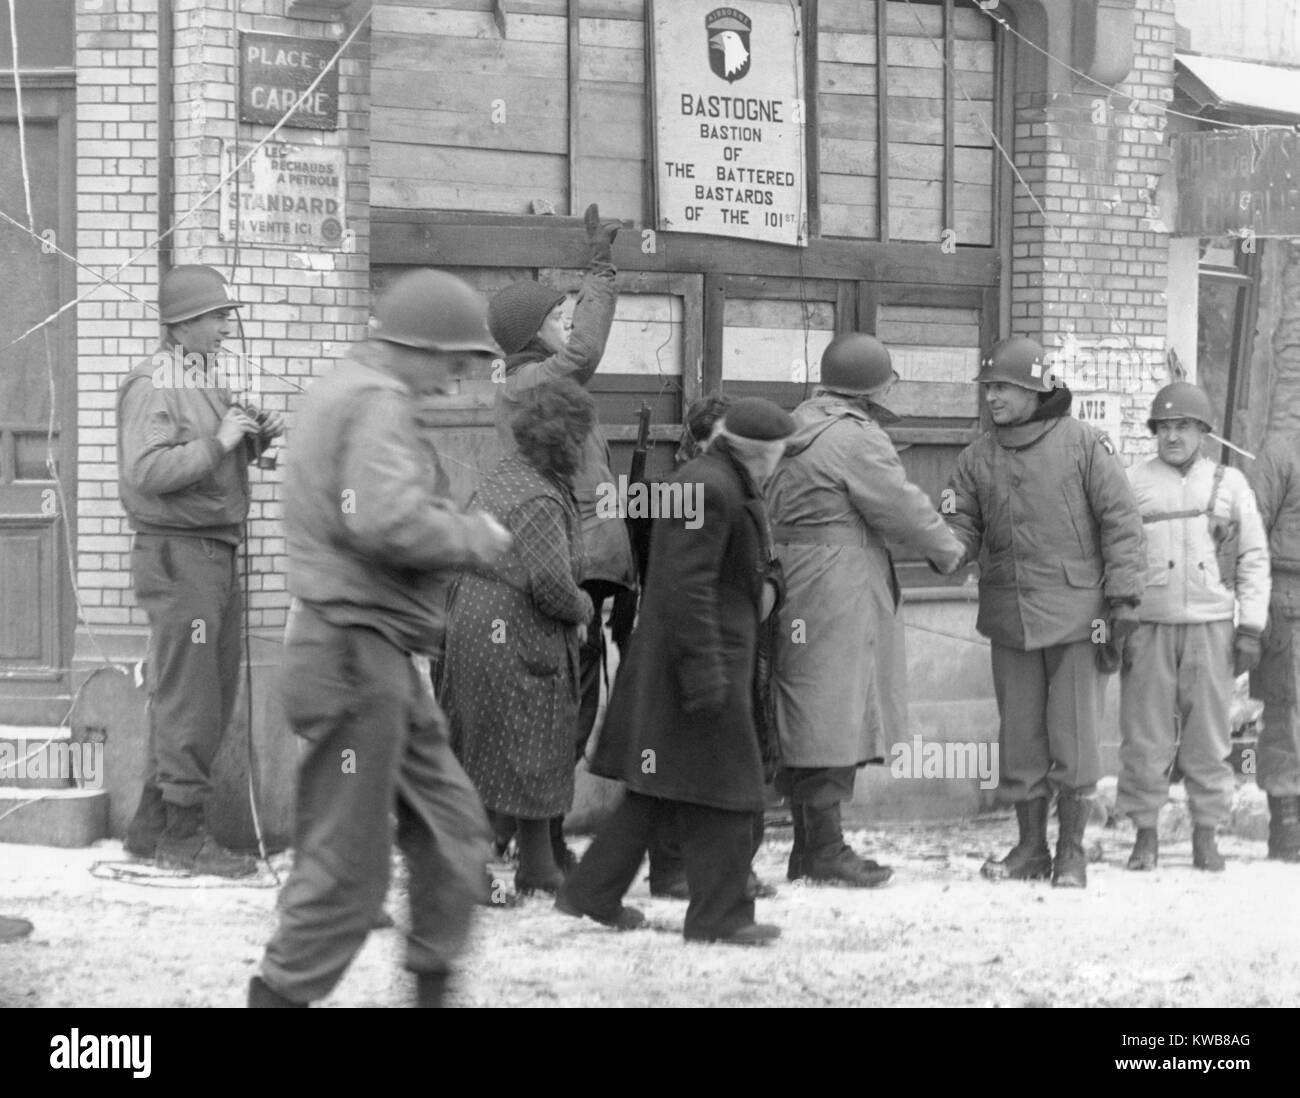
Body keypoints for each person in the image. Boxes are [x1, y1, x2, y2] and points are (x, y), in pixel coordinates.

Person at [249, 270, 512, 1008]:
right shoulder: (375, 400)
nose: (456, 381)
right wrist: (473, 535)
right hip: (353, 653)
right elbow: (380, 519)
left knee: (454, 831)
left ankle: (432, 990)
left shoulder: (348, 387)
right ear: (417, 346)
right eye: (454, 362)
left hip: (377, 653)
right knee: (348, 868)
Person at [556, 398, 794, 946]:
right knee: (732, 792)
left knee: (659, 789)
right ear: (762, 453)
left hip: (689, 666)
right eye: (780, 454)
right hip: (698, 668)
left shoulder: (713, 480)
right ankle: (721, 916)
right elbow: (686, 587)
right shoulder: (709, 487)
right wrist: (707, 673)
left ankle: (591, 892)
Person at [945, 336, 1144, 888]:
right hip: (1010, 616)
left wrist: (1125, 599)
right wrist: (946, 546)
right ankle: (1030, 848)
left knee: (1074, 735)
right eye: (988, 389)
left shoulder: (1085, 443)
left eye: (1004, 388)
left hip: (1081, 616)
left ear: (1037, 389)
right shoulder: (975, 456)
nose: (993, 399)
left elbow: (1122, 523)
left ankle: (1072, 852)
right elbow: (958, 517)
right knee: (1021, 738)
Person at [767, 333, 965, 888]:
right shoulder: (857, 438)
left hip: (792, 577)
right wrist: (948, 551)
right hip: (840, 583)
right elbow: (902, 507)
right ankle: (825, 849)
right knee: (838, 710)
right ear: (875, 389)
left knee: (807, 706)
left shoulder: (795, 423)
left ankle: (809, 847)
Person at [118, 264, 284, 877]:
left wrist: (253, 438)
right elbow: (148, 472)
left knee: (203, 691)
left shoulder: (199, 375)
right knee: (192, 696)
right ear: (184, 323)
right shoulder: (153, 384)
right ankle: (185, 837)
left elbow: (214, 451)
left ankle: (151, 825)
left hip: (210, 551)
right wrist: (219, 440)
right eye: (217, 316)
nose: (225, 327)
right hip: (180, 554)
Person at [489, 202, 636, 872]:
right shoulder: (530, 381)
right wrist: (600, 271)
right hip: (565, 565)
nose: (566, 324)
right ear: (533, 332)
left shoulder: (539, 382)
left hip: (586, 564)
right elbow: (587, 349)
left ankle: (536, 841)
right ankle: (525, 843)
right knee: (561, 713)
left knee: (572, 708)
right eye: (556, 315)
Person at [442, 380, 596, 896]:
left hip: (474, 624)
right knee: (535, 739)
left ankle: (533, 865)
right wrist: (585, 606)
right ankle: (492, 868)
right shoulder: (538, 496)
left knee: (493, 746)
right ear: (567, 440)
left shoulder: (508, 475)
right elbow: (552, 585)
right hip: (514, 631)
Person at [1117, 383, 1269, 872]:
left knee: (1209, 737)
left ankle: (1207, 835)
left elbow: (1252, 558)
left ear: (1202, 431)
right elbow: (1115, 553)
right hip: (1148, 626)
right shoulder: (1133, 481)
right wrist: (1112, 623)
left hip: (1211, 627)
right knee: (1145, 736)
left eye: (1182, 426)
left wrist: (1252, 627)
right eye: (1164, 427)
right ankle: (1145, 836)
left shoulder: (1230, 484)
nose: (1172, 436)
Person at [1247, 427, 1300, 863]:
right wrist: (1254, 606)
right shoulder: (1281, 451)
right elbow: (1251, 531)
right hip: (1289, 603)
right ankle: (1287, 829)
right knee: (1287, 717)